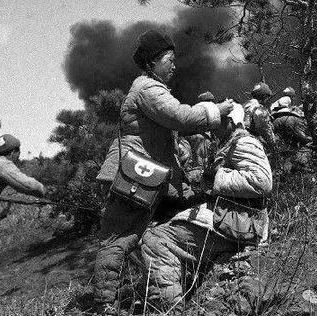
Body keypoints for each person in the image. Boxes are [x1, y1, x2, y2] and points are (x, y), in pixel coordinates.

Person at [93, 30, 233, 315]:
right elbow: (180, 118)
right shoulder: (148, 89)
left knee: (164, 230)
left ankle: (161, 289)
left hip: (148, 176)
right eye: (169, 59)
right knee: (119, 238)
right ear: (152, 62)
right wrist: (216, 110)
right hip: (137, 176)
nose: (174, 65)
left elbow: (161, 135)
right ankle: (105, 304)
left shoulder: (149, 88)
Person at [140, 103, 272, 312]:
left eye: (217, 122)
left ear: (230, 122)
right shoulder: (230, 142)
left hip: (238, 222)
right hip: (232, 218)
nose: (211, 128)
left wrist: (215, 177)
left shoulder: (245, 142)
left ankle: (170, 309)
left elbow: (261, 182)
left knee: (154, 240)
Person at [0, 134, 46, 257]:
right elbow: (27, 185)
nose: (19, 156)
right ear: (13, 152)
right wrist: (43, 190)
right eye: (18, 152)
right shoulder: (3, 165)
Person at [243, 82, 277, 160]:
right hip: (250, 145)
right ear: (264, 96)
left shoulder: (245, 105)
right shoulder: (259, 109)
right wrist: (274, 146)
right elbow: (266, 131)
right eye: (268, 96)